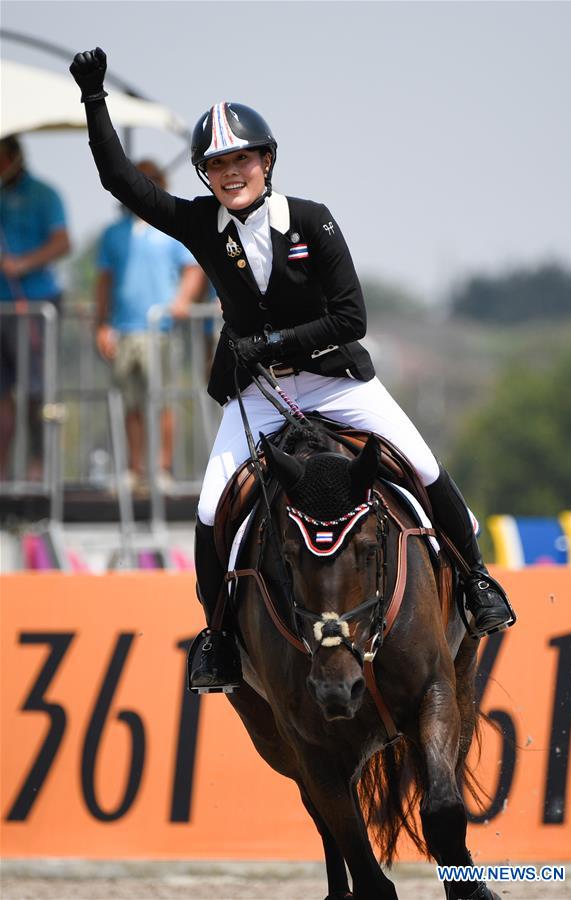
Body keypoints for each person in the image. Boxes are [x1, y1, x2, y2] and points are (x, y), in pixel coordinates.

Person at [70, 48, 515, 693]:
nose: (231, 173)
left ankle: (475, 583)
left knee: (421, 466)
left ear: (266, 162)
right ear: (205, 174)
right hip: (258, 396)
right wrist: (94, 98)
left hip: (338, 382)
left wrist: (272, 341)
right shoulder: (202, 225)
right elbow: (121, 182)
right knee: (208, 510)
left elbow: (350, 318)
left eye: (242, 159)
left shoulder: (311, 219)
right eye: (217, 165)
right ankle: (219, 638)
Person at [95, 158, 206, 490]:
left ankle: (162, 470)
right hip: (123, 329)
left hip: (161, 330)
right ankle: (134, 469)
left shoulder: (170, 226)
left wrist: (182, 301)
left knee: (163, 402)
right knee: (130, 405)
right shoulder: (113, 233)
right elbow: (103, 282)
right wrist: (101, 325)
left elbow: (192, 269)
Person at [0, 135, 71, 480]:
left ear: (14, 157)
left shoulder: (45, 193)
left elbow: (63, 242)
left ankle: (36, 472)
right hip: (2, 307)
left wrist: (23, 264)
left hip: (35, 305)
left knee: (34, 391)